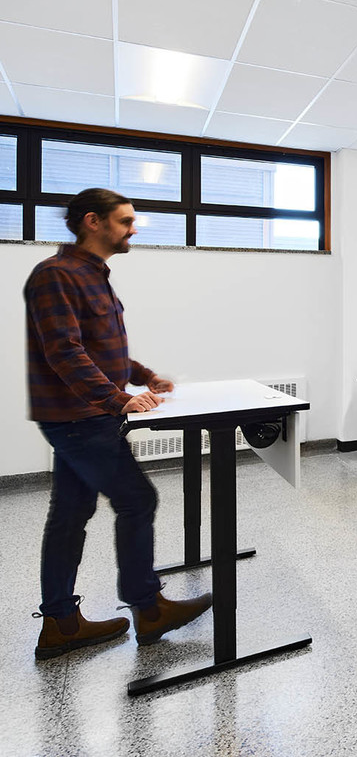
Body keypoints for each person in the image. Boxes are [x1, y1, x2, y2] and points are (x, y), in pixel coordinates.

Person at [25, 189, 215, 661]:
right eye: (126, 220)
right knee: (137, 500)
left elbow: (98, 347)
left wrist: (143, 375)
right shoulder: (56, 275)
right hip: (79, 418)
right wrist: (118, 398)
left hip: (82, 416)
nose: (134, 228)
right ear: (93, 221)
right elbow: (65, 351)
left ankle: (61, 624)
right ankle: (148, 609)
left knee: (70, 516)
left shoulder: (93, 276)